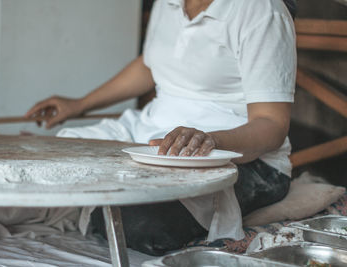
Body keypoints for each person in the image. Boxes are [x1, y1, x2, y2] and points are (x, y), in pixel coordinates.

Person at [26, 0, 297, 256]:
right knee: (51, 160)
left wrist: (210, 141)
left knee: (139, 223)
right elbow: (151, 64)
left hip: (240, 155)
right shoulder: (168, 3)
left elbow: (272, 124)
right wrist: (80, 104)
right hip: (151, 133)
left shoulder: (262, 11)